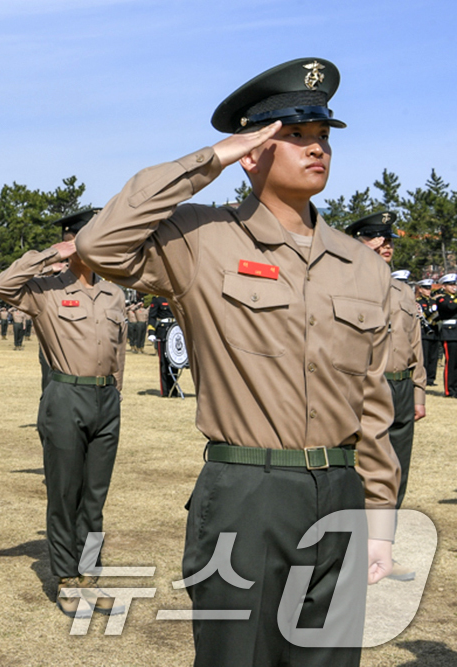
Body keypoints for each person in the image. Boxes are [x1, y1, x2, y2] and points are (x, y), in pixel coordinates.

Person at [75, 58, 400, 666]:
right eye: (295, 135)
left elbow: (374, 402)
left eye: (323, 135)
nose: (317, 148)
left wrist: (380, 514)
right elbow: (100, 244)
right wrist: (212, 159)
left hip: (340, 490)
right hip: (249, 493)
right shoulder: (202, 239)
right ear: (253, 152)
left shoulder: (363, 266)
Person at [0, 208, 127, 618]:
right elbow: (2, 284)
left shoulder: (114, 293)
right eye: (89, 237)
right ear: (73, 242)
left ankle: (89, 574)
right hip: (67, 396)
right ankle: (67, 578)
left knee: (95, 497)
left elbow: (119, 349)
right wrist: (53, 253)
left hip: (106, 400)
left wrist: (116, 392)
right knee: (65, 492)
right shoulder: (45, 290)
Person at [346, 214, 426, 582]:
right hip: (363, 387)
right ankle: (349, 548)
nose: (386, 245)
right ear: (359, 241)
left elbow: (415, 345)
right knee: (360, 470)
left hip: (401, 389)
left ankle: (382, 550)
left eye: (389, 239)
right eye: (376, 238)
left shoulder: (403, 292)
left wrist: (419, 392)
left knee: (397, 471)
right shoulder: (347, 284)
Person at [147, 294, 178, 396]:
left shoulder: (176, 298)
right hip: (163, 331)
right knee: (164, 362)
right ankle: (165, 390)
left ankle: (173, 389)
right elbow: (152, 316)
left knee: (175, 361)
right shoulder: (158, 299)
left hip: (175, 330)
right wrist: (151, 332)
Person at [434, 273, 457, 397]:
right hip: (450, 333)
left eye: (455, 284)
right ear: (444, 286)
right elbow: (451, 307)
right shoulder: (442, 299)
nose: (454, 287)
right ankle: (449, 390)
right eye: (451, 285)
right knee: (451, 362)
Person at [415, 278, 441, 386]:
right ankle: (424, 378)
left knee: (433, 356)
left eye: (429, 288)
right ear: (420, 289)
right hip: (424, 331)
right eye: (426, 288)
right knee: (424, 356)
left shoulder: (434, 301)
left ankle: (431, 378)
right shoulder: (418, 302)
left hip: (434, 330)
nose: (428, 290)